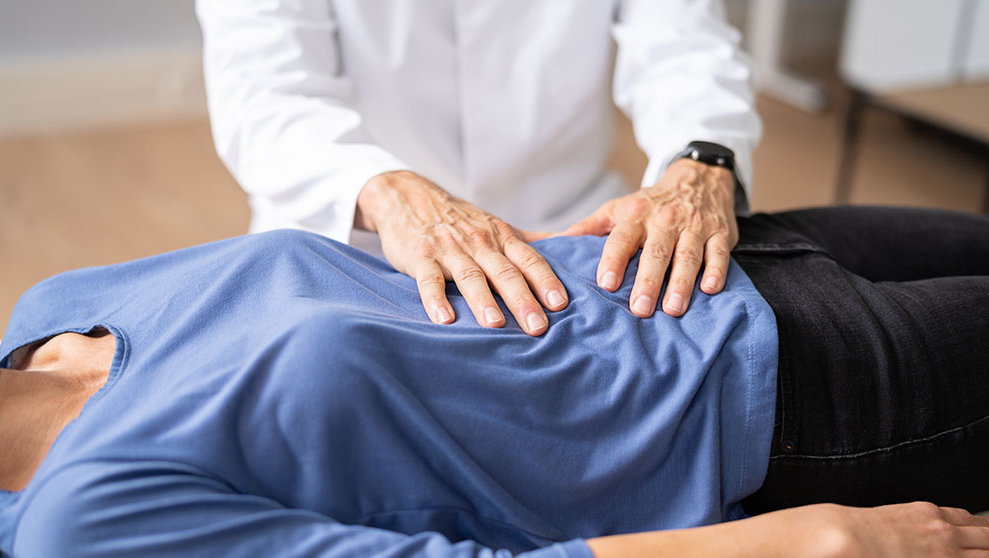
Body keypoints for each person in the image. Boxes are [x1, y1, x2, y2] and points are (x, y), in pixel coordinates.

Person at [0, 205, 988, 558]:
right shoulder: (84, 524)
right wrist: (833, 539)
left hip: (703, 256)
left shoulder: (50, 310)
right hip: (786, 404)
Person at [196, 0, 762, 334]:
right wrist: (390, 197)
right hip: (351, 241)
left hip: (574, 238)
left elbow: (687, 46)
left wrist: (703, 161)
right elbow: (265, 94)